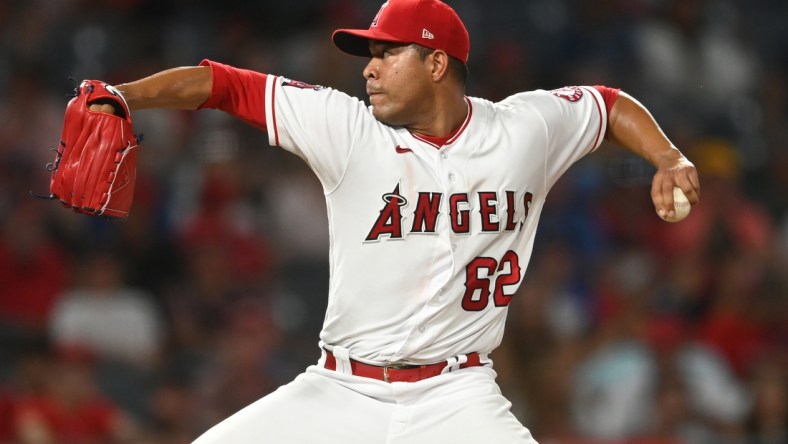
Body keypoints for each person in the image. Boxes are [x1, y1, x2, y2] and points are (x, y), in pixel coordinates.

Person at [88, 0, 700, 442]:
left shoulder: (525, 129)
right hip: (340, 390)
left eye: (386, 52)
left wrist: (668, 156)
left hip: (457, 398)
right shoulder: (348, 128)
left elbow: (609, 105)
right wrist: (122, 95)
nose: (369, 68)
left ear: (436, 64)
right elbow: (221, 84)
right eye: (370, 54)